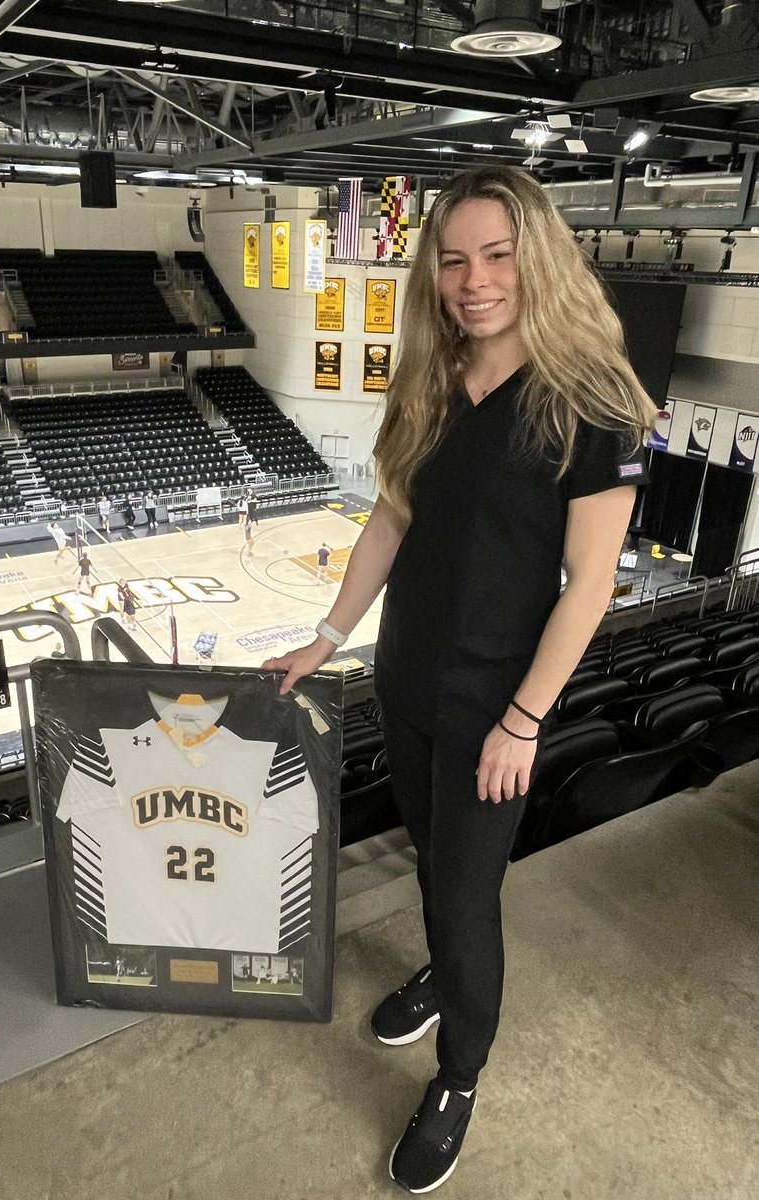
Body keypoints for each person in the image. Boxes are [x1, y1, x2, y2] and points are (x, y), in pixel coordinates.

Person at [262, 166, 653, 1194]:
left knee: (468, 896)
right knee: (433, 862)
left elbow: (591, 585)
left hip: (498, 706)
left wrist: (524, 720)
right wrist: (329, 635)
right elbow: (391, 518)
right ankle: (441, 977)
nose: (473, 280)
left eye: (497, 255)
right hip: (407, 679)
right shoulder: (429, 378)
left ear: (539, 259)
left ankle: (460, 1074)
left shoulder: (592, 398)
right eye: (453, 259)